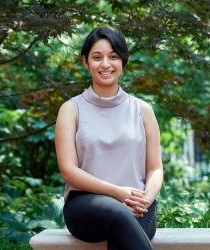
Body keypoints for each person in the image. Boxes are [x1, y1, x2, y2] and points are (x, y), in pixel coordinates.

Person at [55, 26, 163, 250]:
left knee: (123, 236)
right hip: (85, 206)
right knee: (120, 214)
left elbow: (155, 169)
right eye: (97, 57)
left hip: (138, 204)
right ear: (86, 62)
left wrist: (145, 199)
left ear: (123, 60)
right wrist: (116, 192)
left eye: (113, 56)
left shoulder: (142, 110)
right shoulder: (71, 109)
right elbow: (68, 170)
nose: (105, 64)